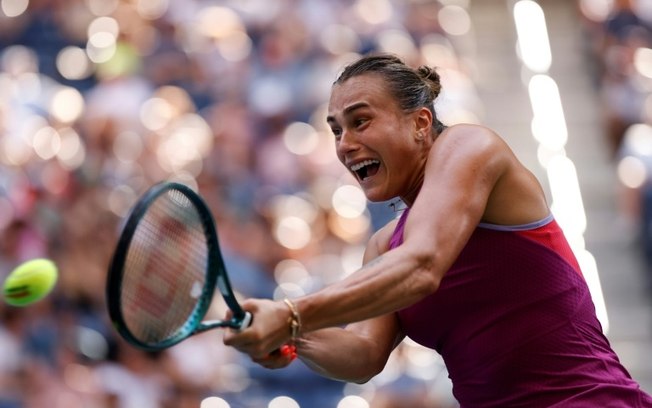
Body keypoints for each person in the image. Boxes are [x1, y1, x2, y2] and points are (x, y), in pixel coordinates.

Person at [223, 53, 652, 407]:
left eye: (360, 121)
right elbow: (363, 356)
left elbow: (422, 267)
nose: (344, 144)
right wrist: (292, 334)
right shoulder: (383, 245)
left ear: (421, 124)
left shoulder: (471, 146)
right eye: (336, 130)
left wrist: (293, 314)